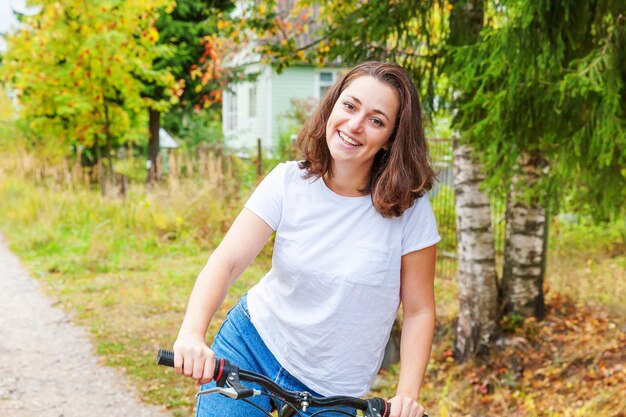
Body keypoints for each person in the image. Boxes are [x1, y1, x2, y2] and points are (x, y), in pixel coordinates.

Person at [173, 61, 440, 417]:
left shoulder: (411, 210)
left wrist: (407, 394)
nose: (355, 125)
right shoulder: (287, 182)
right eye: (350, 106)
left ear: (391, 138)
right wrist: (191, 334)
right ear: (332, 106)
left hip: (335, 387)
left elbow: (420, 309)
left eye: (376, 120)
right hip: (253, 345)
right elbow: (226, 262)